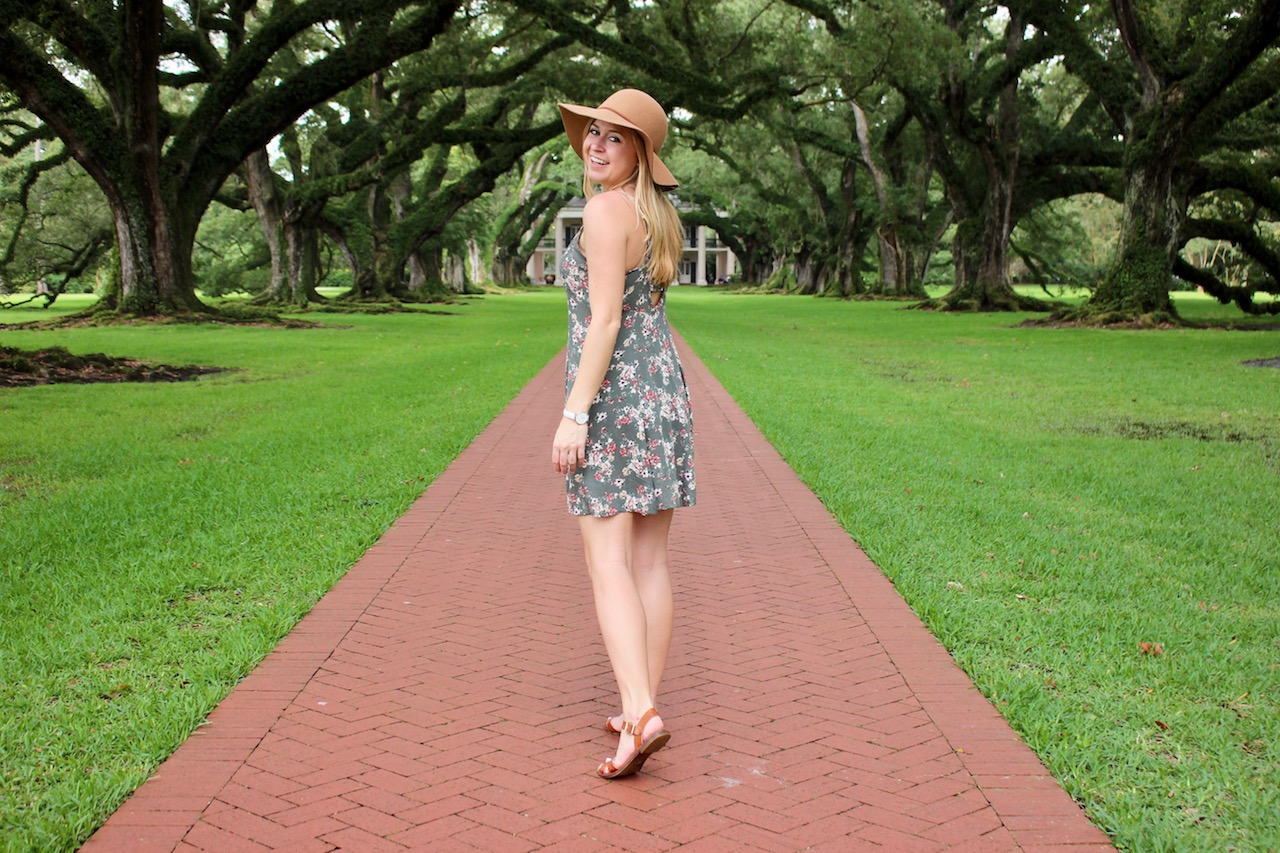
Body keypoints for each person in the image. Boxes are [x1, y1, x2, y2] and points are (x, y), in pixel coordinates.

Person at [552, 89, 696, 779]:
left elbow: (604, 321)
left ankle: (639, 713)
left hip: (614, 399)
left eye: (615, 137)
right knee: (650, 561)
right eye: (593, 133)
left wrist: (574, 412)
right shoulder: (655, 213)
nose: (597, 145)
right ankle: (642, 702)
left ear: (641, 152)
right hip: (663, 392)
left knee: (606, 557)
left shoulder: (605, 210)